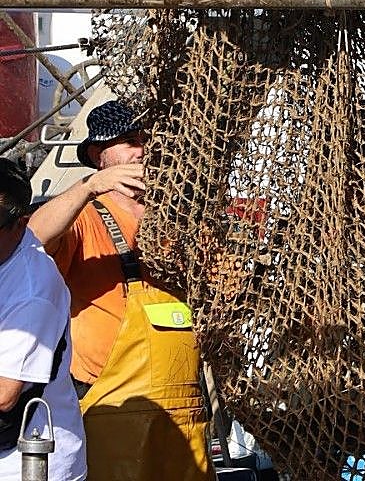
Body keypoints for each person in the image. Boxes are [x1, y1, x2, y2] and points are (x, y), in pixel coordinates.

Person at [28, 100, 214, 481]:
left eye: (148, 139)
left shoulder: (183, 223)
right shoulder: (84, 218)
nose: (143, 149)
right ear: (99, 155)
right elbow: (32, 239)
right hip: (111, 410)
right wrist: (91, 187)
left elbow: (226, 288)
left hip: (187, 418)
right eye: (129, 141)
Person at [0, 158, 86, 481]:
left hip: (29, 465)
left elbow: (5, 393)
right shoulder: (10, 248)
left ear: (19, 225)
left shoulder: (33, 290)